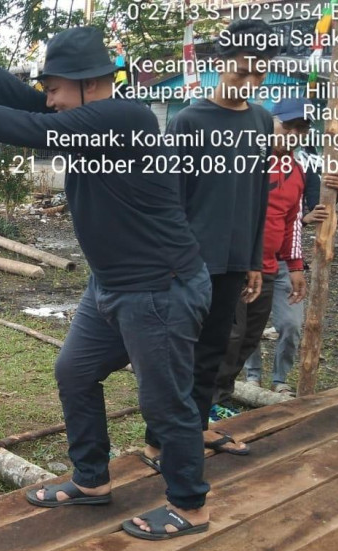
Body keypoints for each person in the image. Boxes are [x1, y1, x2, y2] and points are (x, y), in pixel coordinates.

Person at [0, 9, 212, 540]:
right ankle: (92, 479)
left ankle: (190, 505)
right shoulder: (84, 113)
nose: (48, 98)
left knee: (165, 401)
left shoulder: (127, 118)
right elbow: (19, 101)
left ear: (90, 85)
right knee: (74, 372)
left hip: (159, 288)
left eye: (55, 89)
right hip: (113, 286)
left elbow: (28, 126)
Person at [142, 20, 278, 463]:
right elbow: (168, 200)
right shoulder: (189, 121)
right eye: (242, 72)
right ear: (220, 64)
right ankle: (158, 441)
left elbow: (258, 194)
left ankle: (196, 430)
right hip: (189, 262)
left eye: (259, 74)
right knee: (175, 353)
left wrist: (254, 260)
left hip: (234, 260)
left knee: (213, 350)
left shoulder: (261, 121)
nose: (249, 82)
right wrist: (171, 262)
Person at [243, 140, 338, 395]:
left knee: (290, 324)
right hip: (249, 260)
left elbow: (307, 210)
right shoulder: (247, 164)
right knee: (248, 324)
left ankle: (280, 380)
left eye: (300, 129)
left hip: (283, 261)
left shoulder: (301, 167)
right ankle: (251, 376)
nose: (292, 134)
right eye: (286, 126)